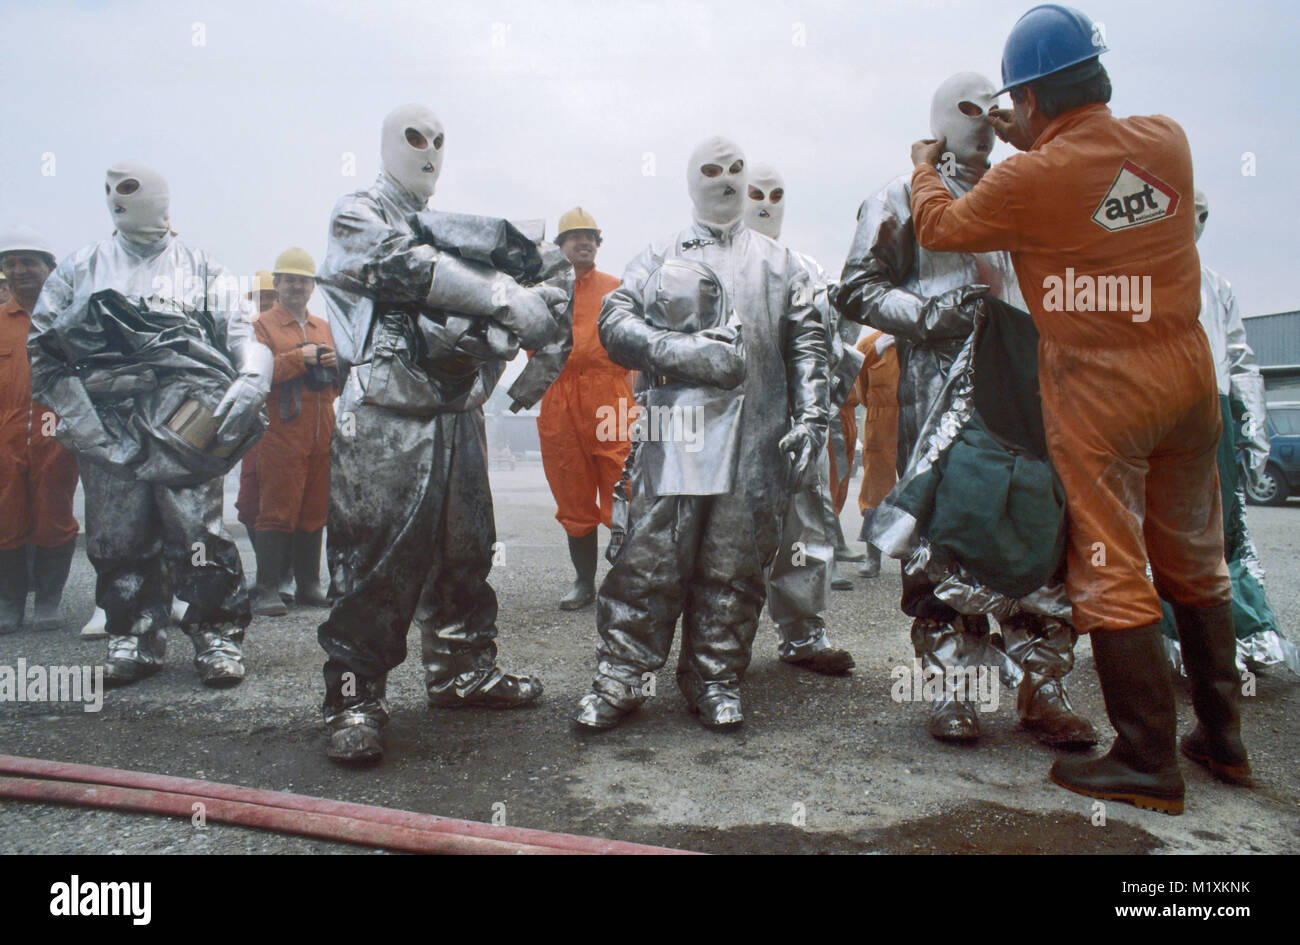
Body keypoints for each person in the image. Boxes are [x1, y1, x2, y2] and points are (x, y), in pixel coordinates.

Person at [907, 4, 1246, 813]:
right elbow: (1088, 172)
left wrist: (924, 164)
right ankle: (1223, 739)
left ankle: (1144, 759)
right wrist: (1035, 130)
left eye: (1017, 108)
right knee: (1195, 558)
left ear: (1028, 101)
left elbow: (941, 224)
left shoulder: (1025, 179)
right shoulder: (1167, 140)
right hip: (1189, 377)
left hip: (1103, 387)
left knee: (1112, 566)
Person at [836, 70, 1096, 750]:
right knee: (946, 543)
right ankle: (955, 689)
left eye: (997, 107)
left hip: (1028, 401)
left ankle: (1045, 688)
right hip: (936, 407)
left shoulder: (1024, 190)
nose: (983, 119)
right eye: (969, 107)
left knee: (1038, 535)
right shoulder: (896, 196)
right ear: (939, 117)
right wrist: (928, 315)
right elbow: (856, 288)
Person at [316, 103, 560, 764]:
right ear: (388, 143)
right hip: (387, 411)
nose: (427, 151)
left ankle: (463, 669)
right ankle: (353, 695)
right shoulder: (359, 213)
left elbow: (468, 290)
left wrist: (528, 295)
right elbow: (400, 265)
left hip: (456, 406)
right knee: (378, 553)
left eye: (438, 141)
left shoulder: (448, 232)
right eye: (415, 138)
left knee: (466, 546)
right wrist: (505, 296)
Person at [573, 136, 828, 731]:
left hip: (756, 443)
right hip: (674, 439)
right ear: (692, 183)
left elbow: (808, 343)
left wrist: (812, 418)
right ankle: (621, 675)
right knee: (648, 562)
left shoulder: (780, 262)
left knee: (735, 569)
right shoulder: (657, 255)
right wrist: (681, 351)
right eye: (712, 171)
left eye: (735, 170)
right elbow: (615, 322)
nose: (726, 181)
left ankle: (715, 676)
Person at [29, 162, 271, 687]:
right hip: (107, 421)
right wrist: (82, 422)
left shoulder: (201, 267)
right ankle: (133, 634)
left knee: (197, 531)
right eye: (113, 191)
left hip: (187, 421)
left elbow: (240, 330)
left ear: (163, 200)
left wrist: (253, 375)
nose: (121, 199)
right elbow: (43, 354)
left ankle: (217, 634)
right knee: (117, 535)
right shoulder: (80, 268)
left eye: (133, 190)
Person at [1164, 190, 1297, 675]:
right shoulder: (1142, 278)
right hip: (1164, 416)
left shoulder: (1216, 286)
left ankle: (1235, 639)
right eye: (1188, 213)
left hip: (1212, 418)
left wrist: (1254, 428)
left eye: (1203, 215)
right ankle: (1173, 644)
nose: (1195, 223)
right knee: (1166, 533)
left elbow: (1241, 360)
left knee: (1223, 534)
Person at [743, 162, 855, 675]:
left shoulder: (808, 268)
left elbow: (839, 342)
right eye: (755, 193)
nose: (765, 203)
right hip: (736, 426)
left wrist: (823, 406)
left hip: (797, 428)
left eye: (775, 194)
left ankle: (804, 635)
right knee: (728, 534)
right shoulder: (715, 265)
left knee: (802, 531)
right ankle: (719, 643)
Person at [536, 208, 630, 610]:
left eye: (590, 236)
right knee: (571, 488)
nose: (583, 242)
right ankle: (583, 582)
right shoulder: (542, 292)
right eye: (574, 236)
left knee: (623, 483)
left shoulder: (619, 289)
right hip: (558, 395)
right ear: (560, 246)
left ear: (598, 243)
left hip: (611, 394)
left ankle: (628, 582)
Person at [249, 248, 336, 616]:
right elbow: (258, 376)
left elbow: (337, 386)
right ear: (278, 284)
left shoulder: (324, 327)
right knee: (277, 507)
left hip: (322, 432)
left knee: (315, 507)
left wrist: (334, 365)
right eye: (289, 280)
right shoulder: (261, 326)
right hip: (281, 432)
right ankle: (267, 587)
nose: (296, 286)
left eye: (303, 280)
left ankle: (309, 585)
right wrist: (299, 359)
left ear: (313, 286)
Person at [0, 227, 79, 634]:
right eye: (11, 263)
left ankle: (49, 599)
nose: (19, 270)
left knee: (54, 514)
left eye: (28, 262)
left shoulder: (68, 323)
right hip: (4, 438)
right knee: (6, 518)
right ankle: (9, 602)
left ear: (50, 268)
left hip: (55, 434)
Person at [852, 329, 898, 578]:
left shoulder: (920, 338)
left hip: (915, 417)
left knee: (924, 484)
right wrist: (875, 351)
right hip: (881, 420)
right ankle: (873, 557)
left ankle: (926, 558)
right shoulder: (868, 345)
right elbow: (861, 392)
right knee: (875, 489)